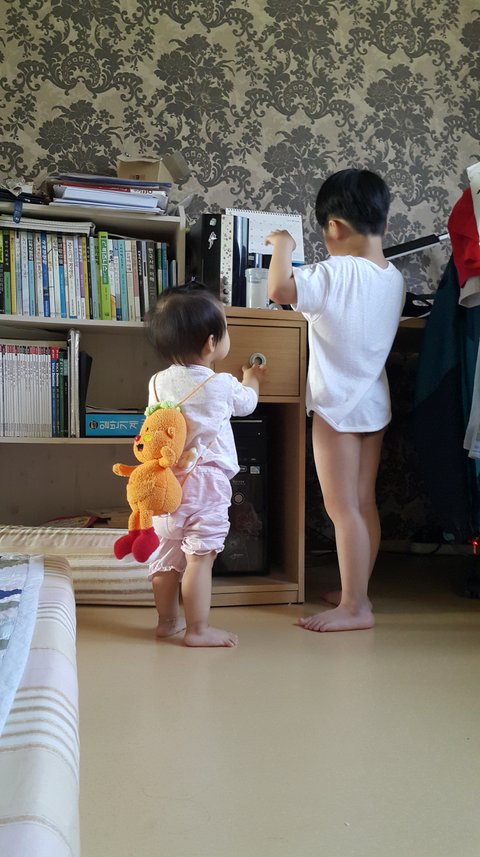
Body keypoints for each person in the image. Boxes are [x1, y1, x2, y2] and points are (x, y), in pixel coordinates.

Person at [266, 168, 405, 632]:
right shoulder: (393, 277)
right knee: (363, 503)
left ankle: (354, 607)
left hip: (335, 407)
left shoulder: (333, 272)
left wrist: (283, 245)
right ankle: (356, 590)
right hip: (374, 403)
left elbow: (280, 290)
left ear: (334, 228)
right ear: (384, 223)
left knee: (341, 508)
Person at [146, 284, 265, 647]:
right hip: (206, 485)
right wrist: (252, 379)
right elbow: (248, 403)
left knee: (167, 554)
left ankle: (167, 622)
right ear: (211, 343)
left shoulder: (157, 382)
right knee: (200, 557)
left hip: (165, 484)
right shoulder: (222, 384)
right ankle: (197, 630)